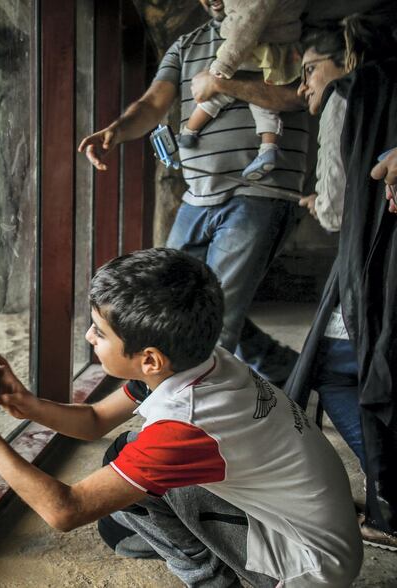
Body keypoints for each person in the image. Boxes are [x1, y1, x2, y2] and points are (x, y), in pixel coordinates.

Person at [0, 248, 363, 586]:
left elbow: (65, 511)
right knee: (125, 459)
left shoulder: (188, 423)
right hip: (317, 534)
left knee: (134, 482)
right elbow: (94, 420)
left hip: (307, 567)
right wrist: (27, 403)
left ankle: (216, 580)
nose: (89, 337)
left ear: (149, 360)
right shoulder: (202, 360)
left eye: (100, 332)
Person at [78, 0, 308, 388]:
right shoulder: (187, 45)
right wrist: (116, 131)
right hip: (197, 194)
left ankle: (183, 416)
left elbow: (299, 96)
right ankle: (291, 370)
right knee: (175, 305)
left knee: (221, 318)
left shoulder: (285, 31)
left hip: (261, 190)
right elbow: (153, 103)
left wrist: (223, 84)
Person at [285, 11, 397, 551]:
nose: (305, 84)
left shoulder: (350, 95)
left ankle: (389, 505)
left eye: (310, 70)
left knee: (333, 369)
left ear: (345, 60)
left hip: (375, 265)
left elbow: (335, 209)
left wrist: (320, 203)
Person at [179, 0, 305, 182]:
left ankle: (188, 132)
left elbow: (247, 23)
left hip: (254, 49)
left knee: (216, 93)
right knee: (265, 107)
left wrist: (222, 67)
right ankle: (268, 149)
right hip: (280, 49)